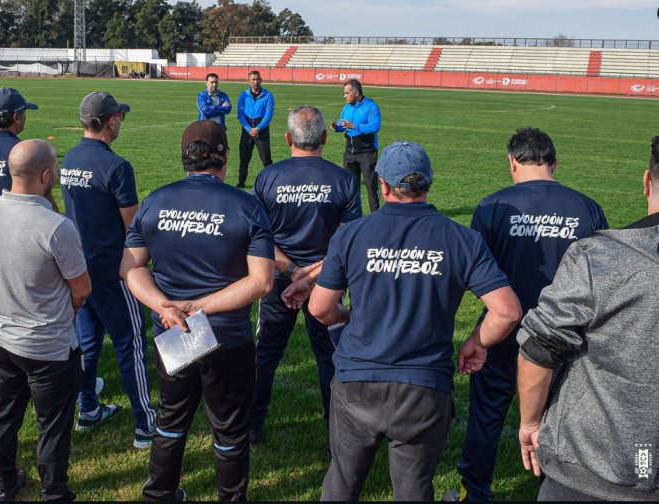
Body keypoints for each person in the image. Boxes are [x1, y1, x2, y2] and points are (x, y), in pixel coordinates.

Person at [307, 141, 522, 500]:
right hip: (424, 386)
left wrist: (348, 315)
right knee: (413, 488)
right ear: (428, 185)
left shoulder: (352, 234)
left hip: (358, 381)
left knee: (342, 482)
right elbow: (508, 310)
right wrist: (476, 343)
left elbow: (319, 308)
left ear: (383, 186)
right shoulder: (462, 239)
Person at [121, 120, 275, 501]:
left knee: (171, 418)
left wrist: (165, 307)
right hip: (226, 335)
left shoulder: (155, 200)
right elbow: (262, 282)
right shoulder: (247, 206)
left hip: (173, 330)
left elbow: (130, 266)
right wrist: (198, 308)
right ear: (223, 157)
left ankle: (159, 494)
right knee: (228, 428)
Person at [452, 128, 608, 502]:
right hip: (566, 337)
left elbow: (473, 275)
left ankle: (474, 490)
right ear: (554, 163)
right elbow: (601, 277)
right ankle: (554, 488)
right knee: (557, 416)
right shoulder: (587, 208)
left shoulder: (492, 206)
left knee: (487, 415)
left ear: (512, 163)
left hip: (503, 329)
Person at [516, 136, 659, 501]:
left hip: (591, 472)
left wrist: (531, 422)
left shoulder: (602, 257)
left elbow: (540, 346)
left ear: (646, 181)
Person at [0, 139, 91, 501]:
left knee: (4, 415)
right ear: (46, 175)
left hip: (2, 336)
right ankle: (54, 493)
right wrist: (67, 313)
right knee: (53, 425)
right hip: (48, 346)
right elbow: (82, 288)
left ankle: (2, 484)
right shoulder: (56, 227)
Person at [248, 105, 361, 445]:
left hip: (280, 279)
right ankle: (335, 432)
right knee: (330, 355)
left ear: (287, 138)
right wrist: (309, 277)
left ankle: (252, 425)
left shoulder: (268, 177)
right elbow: (347, 242)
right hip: (327, 280)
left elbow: (259, 238)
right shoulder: (343, 179)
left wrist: (293, 272)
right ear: (325, 137)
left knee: (266, 352)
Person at [60, 91, 156, 448]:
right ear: (111, 120)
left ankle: (87, 408)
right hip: (114, 272)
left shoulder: (69, 158)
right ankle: (145, 423)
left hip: (79, 269)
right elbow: (133, 225)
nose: (122, 122)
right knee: (130, 345)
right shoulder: (116, 166)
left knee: (87, 346)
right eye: (121, 117)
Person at [330, 79, 382, 212]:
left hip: (367, 153)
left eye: (347, 93)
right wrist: (337, 127)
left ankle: (375, 217)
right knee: (351, 188)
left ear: (356, 93)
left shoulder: (371, 106)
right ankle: (353, 217)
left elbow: (375, 126)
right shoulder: (346, 107)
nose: (344, 96)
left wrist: (355, 126)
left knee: (371, 187)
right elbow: (342, 125)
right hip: (349, 154)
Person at [235, 70, 274, 188]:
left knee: (266, 158)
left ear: (261, 80)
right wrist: (248, 129)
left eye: (257, 79)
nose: (255, 82)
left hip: (261, 131)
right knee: (244, 158)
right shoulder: (243, 95)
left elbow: (269, 114)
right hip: (247, 131)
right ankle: (241, 182)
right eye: (253, 79)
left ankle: (270, 183)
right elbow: (240, 114)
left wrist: (258, 128)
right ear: (249, 81)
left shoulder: (268, 95)